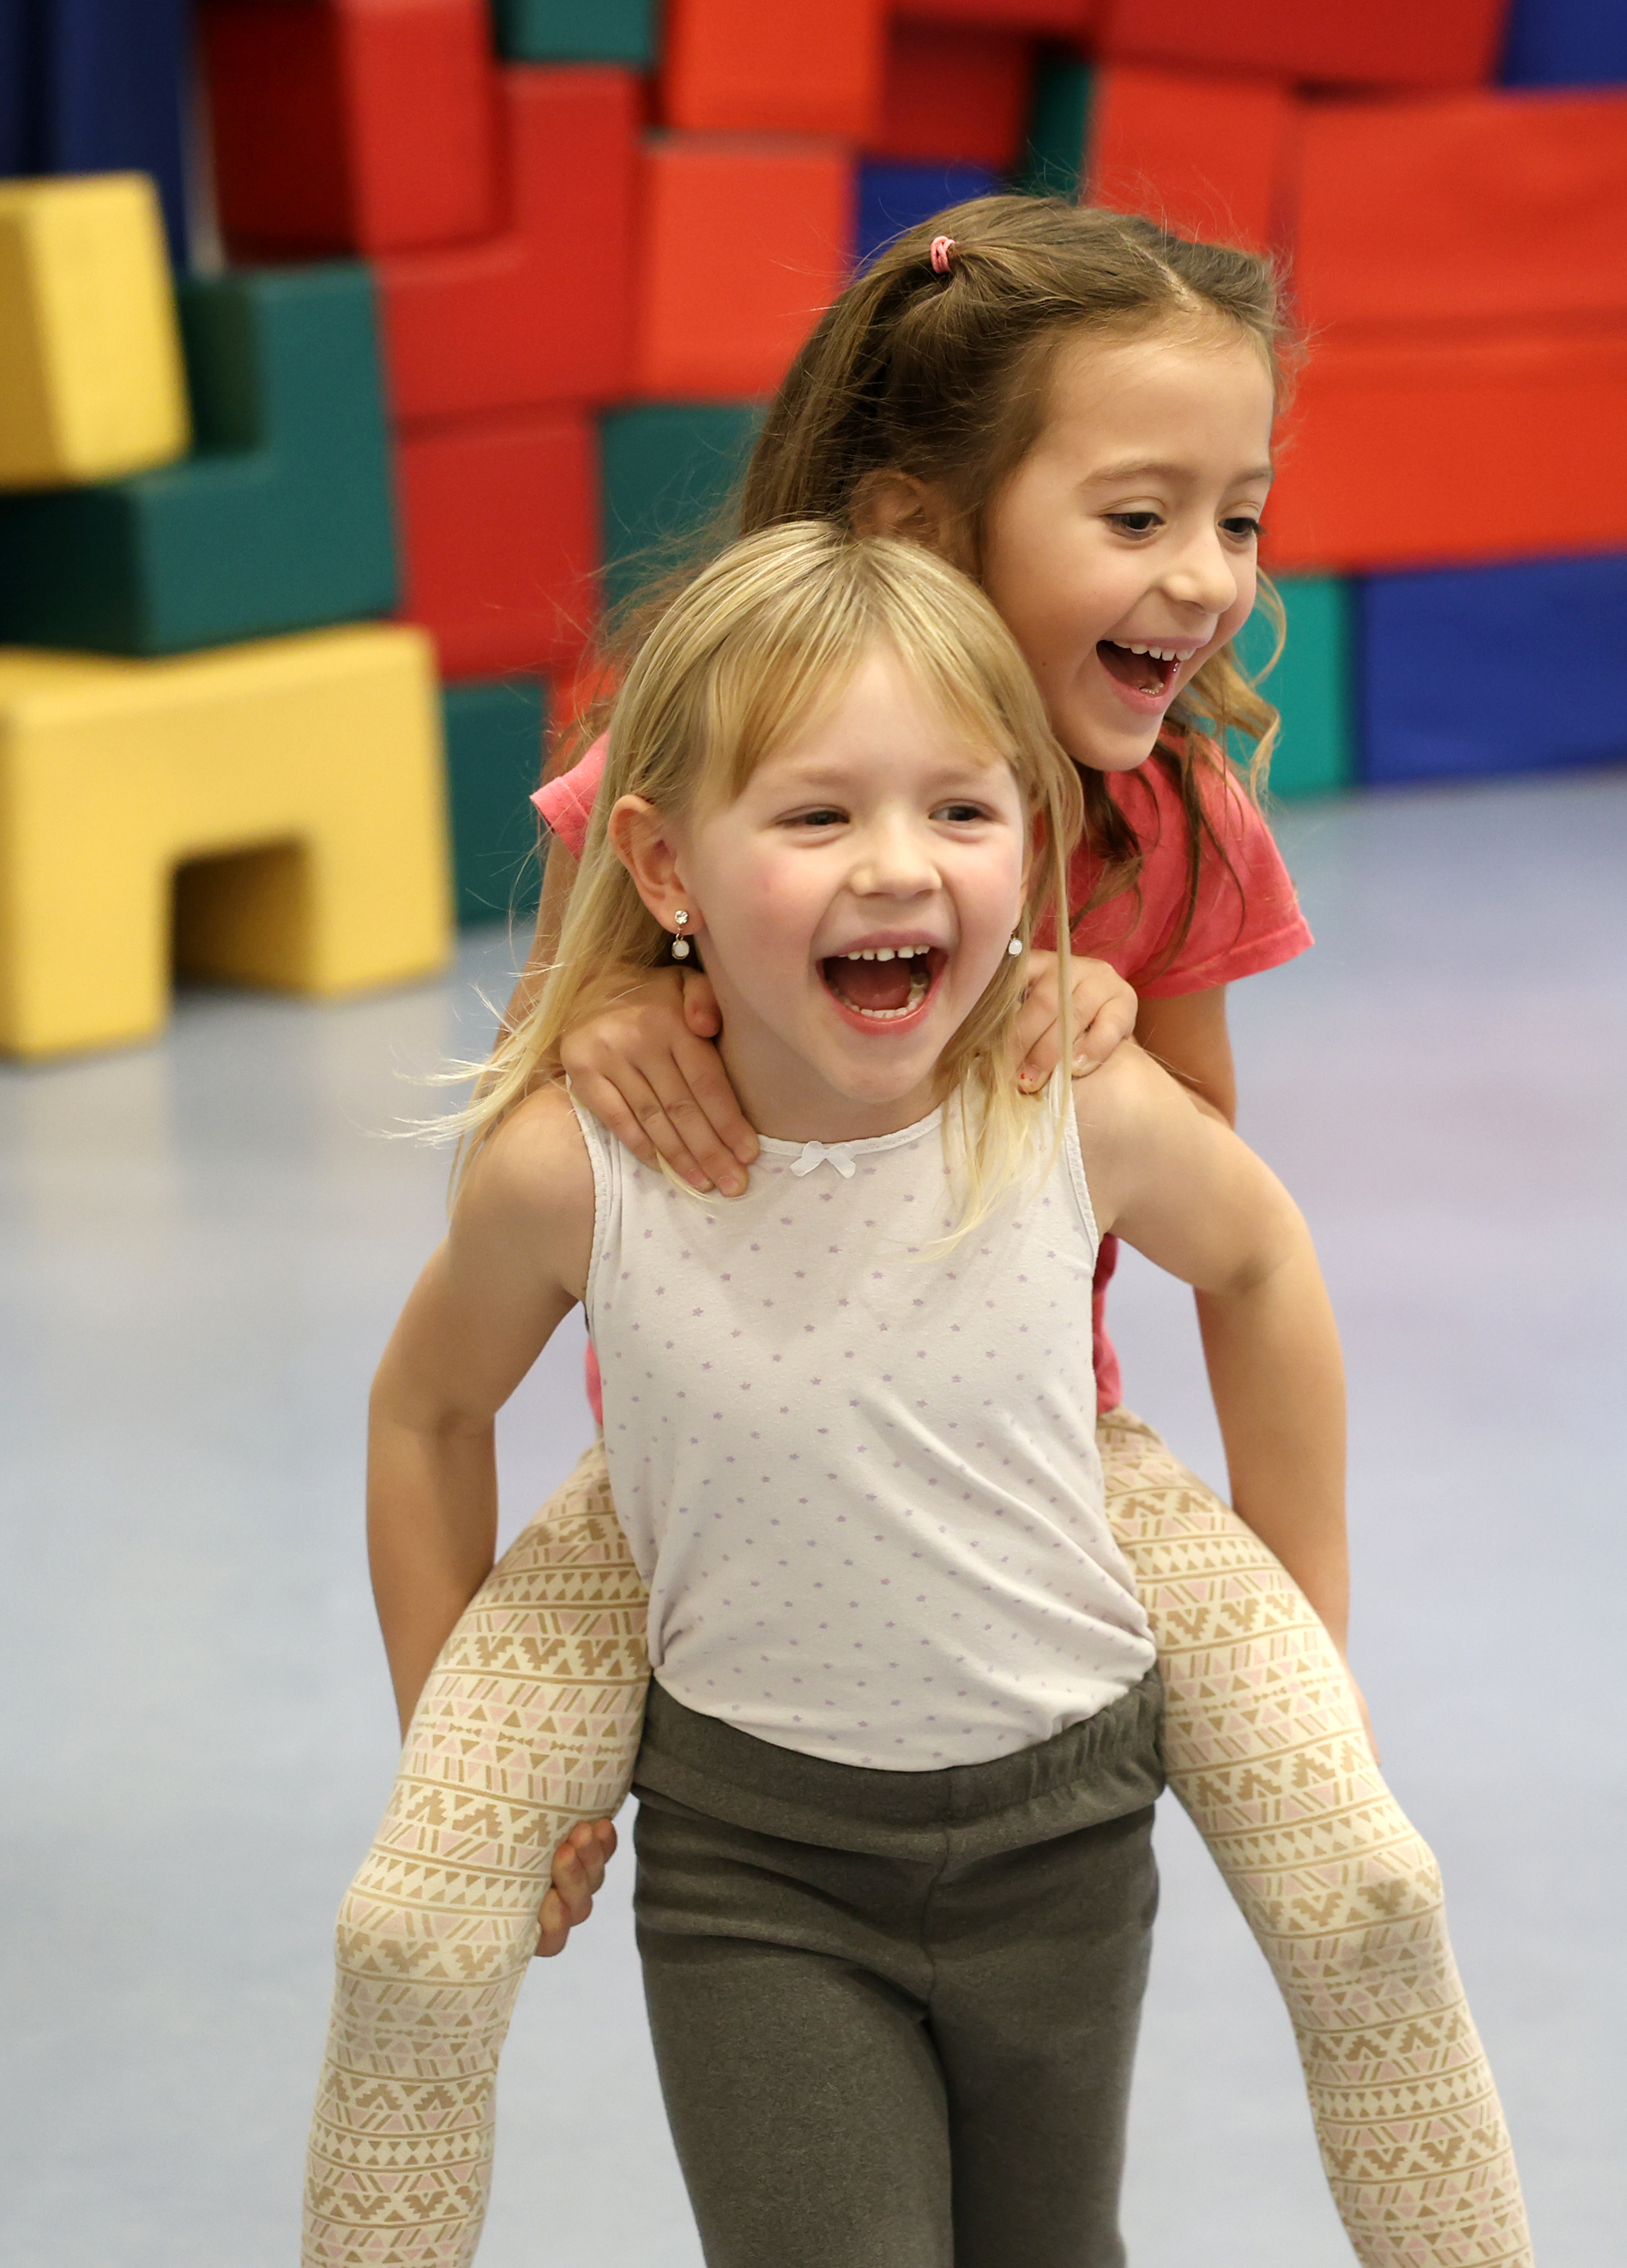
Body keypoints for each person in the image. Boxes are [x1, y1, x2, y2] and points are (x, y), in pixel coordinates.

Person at [305, 200, 1528, 2268]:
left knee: (1372, 1891)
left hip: (1051, 1441)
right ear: (934, 522)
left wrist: (1113, 1018)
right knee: (410, 1938)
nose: (1208, 579)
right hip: (687, 1484)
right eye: (1141, 512)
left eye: (1239, 517)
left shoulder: (1165, 815)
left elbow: (1224, 1209)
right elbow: (524, 1182)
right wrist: (612, 1012)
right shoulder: (706, 752)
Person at [357, 522, 1361, 2266]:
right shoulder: (575, 1166)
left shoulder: (1075, 1106)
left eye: (960, 812)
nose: (896, 866)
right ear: (664, 865)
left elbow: (1263, 1258)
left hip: (1069, 1828)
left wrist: (1303, 1643)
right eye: (818, 815)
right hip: (761, 1863)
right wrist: (465, 1760)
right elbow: (428, 1409)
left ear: (1029, 842)